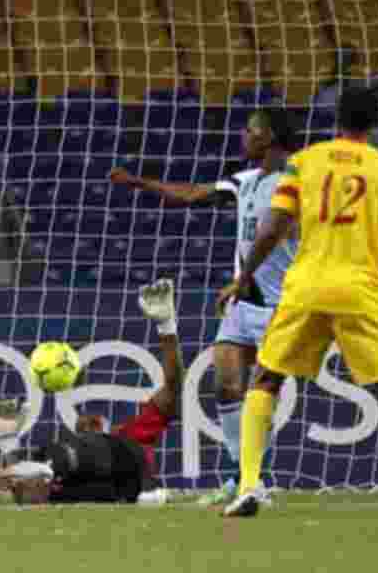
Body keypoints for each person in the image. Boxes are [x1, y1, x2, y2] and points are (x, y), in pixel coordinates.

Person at [221, 87, 378, 518]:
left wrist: (243, 277)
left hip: (306, 287)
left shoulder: (303, 163)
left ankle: (248, 485)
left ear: (336, 119)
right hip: (360, 291)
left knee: (265, 380)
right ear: (376, 125)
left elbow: (272, 228)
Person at [109, 107, 299, 505]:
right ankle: (244, 478)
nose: (243, 137)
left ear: (268, 138)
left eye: (251, 131)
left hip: (280, 304)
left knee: (263, 393)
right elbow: (193, 194)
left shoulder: (296, 184)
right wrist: (140, 183)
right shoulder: (245, 181)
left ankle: (249, 479)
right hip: (241, 302)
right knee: (226, 385)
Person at [0, 279, 181, 505]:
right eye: (87, 422)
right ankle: (147, 496)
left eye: (94, 421)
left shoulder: (131, 434)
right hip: (104, 488)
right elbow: (26, 494)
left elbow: (173, 387)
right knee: (47, 474)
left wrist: (166, 327)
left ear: (107, 425)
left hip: (124, 476)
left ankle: (147, 494)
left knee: (57, 464)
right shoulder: (67, 458)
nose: (87, 418)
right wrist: (8, 438)